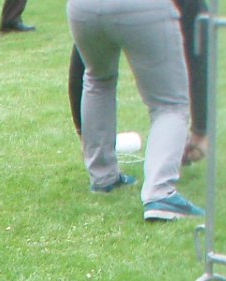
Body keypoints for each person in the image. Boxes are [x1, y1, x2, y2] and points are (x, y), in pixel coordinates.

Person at [68, 0, 201, 220]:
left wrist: (81, 131)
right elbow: (196, 15)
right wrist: (201, 128)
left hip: (83, 7)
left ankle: (103, 177)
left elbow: (77, 68)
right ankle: (160, 193)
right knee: (170, 104)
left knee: (96, 79)